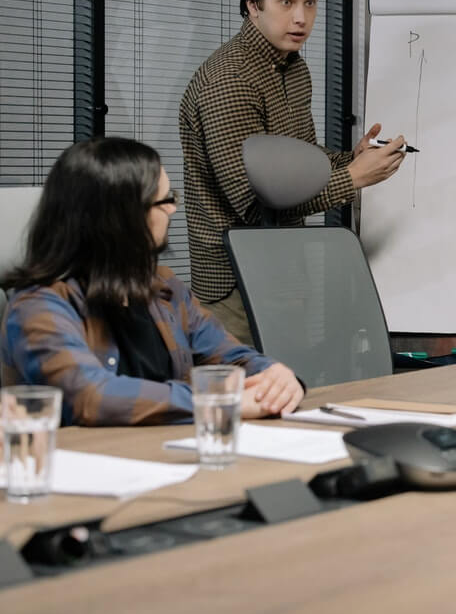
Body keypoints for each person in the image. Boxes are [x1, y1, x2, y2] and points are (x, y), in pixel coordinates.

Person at [180, 0, 406, 342]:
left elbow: (297, 161)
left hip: (283, 271)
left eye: (310, 3)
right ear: (253, 5)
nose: (301, 18)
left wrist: (346, 159)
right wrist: (351, 178)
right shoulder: (229, 80)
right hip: (234, 281)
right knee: (246, 399)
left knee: (294, 395)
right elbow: (253, 200)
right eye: (286, 2)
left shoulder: (293, 68)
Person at [0, 137, 304, 426]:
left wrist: (276, 377)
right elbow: (90, 395)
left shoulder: (164, 287)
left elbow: (231, 356)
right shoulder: (38, 305)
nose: (173, 209)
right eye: (165, 200)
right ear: (122, 217)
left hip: (169, 461)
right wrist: (220, 401)